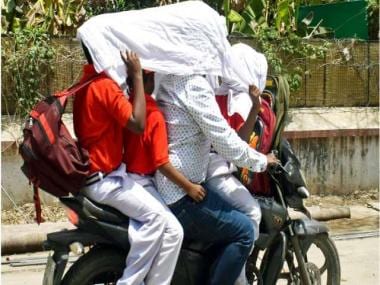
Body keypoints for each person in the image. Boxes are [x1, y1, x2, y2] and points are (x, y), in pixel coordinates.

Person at [155, 73, 279, 285]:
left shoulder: (170, 80)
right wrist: (261, 161)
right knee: (245, 230)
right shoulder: (194, 86)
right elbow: (225, 140)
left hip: (179, 183)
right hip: (183, 191)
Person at [73, 45, 174, 285]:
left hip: (105, 176)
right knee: (157, 218)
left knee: (171, 229)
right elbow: (137, 124)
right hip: (105, 180)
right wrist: (137, 76)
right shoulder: (104, 86)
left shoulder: (86, 82)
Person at [122, 70, 207, 284]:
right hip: (142, 182)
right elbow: (161, 163)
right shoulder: (155, 115)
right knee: (174, 232)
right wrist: (189, 187)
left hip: (126, 177)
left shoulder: (127, 106)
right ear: (149, 81)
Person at [206, 44, 271, 285]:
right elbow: (239, 143)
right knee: (252, 212)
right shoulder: (241, 99)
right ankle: (238, 277)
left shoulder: (217, 92)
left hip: (211, 168)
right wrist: (263, 160)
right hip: (215, 171)